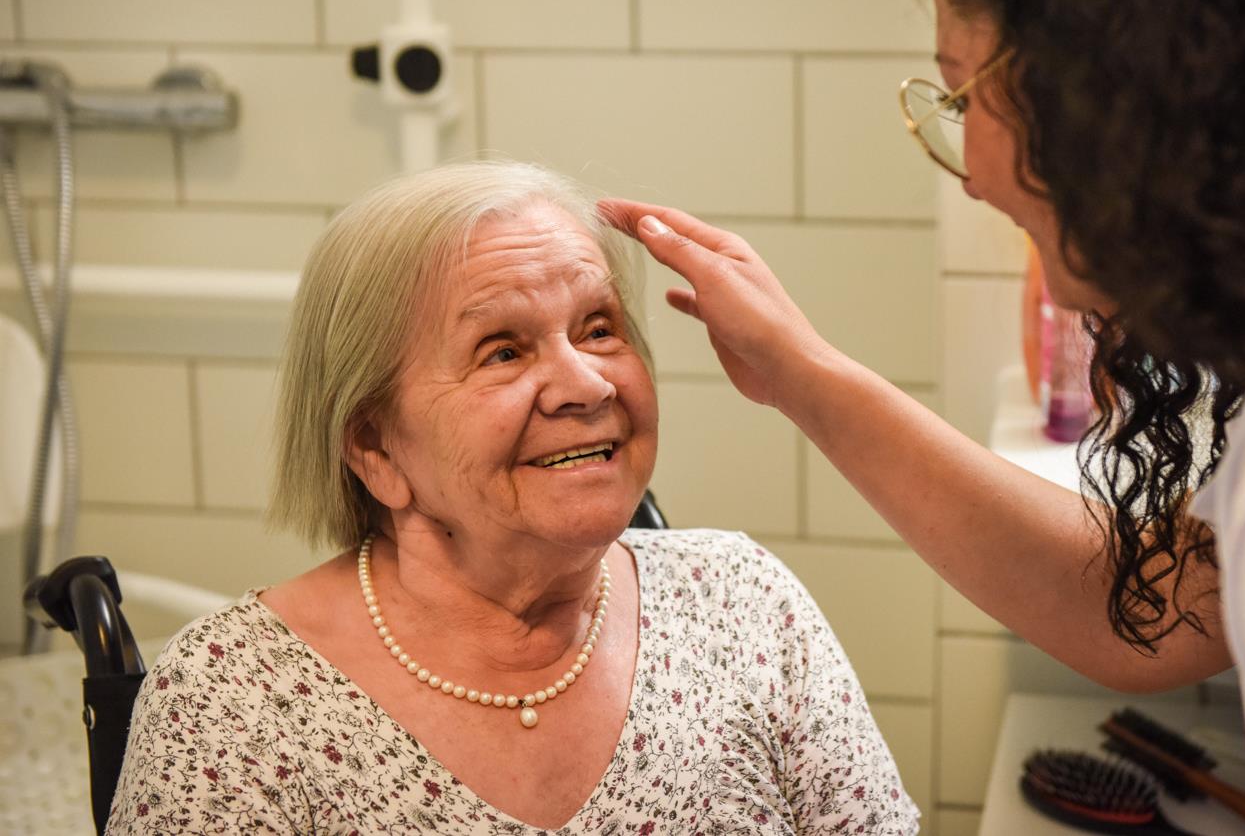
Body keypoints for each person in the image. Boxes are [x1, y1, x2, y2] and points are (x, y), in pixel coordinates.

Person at [601, 0, 1245, 833]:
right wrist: (800, 374)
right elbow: (1146, 607)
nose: (971, 173)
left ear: (1111, 99)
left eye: (964, 96)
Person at [105, 161, 918, 834]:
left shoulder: (745, 604)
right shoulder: (235, 701)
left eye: (599, 328)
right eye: (502, 351)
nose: (587, 383)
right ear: (376, 448)